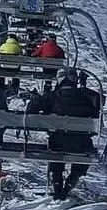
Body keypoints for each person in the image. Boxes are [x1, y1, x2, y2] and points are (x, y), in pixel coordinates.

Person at [26, 68, 102, 200]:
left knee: (56, 149)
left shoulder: (53, 96)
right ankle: (70, 184)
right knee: (83, 147)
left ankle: (57, 187)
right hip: (81, 144)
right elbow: (96, 111)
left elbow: (32, 108)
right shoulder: (86, 96)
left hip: (58, 141)